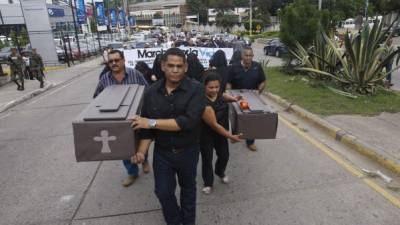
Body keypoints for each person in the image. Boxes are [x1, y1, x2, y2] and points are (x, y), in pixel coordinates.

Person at [131, 48, 205, 225]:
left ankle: (188, 222)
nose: (175, 70)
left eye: (179, 66)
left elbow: (186, 122)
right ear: (163, 66)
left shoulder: (196, 89)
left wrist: (150, 122)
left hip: (188, 151)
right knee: (163, 192)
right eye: (171, 65)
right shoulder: (151, 92)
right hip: (163, 153)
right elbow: (146, 129)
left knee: (188, 190)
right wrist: (141, 152)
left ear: (185, 67)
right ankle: (174, 220)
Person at [93, 49, 151, 187]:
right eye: (111, 61)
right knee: (123, 148)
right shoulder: (105, 79)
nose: (114, 63)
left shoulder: (135, 74)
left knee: (141, 142)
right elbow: (96, 98)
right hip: (117, 123)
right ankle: (132, 172)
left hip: (137, 118)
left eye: (117, 60)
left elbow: (148, 91)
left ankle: (144, 160)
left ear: (123, 60)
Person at [200, 72, 242, 194]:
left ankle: (220, 171)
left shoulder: (219, 94)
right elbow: (215, 125)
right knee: (207, 159)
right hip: (206, 135)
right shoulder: (204, 103)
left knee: (224, 156)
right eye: (211, 87)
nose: (214, 90)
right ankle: (208, 183)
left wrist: (234, 99)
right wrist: (231, 136)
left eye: (217, 87)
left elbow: (223, 95)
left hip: (221, 135)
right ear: (204, 87)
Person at [227, 46, 266, 152]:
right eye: (246, 55)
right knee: (236, 118)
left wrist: (259, 91)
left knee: (251, 119)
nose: (248, 57)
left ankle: (250, 142)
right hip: (237, 98)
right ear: (242, 56)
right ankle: (235, 136)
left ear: (253, 56)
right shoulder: (233, 67)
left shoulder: (257, 67)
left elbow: (263, 81)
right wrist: (230, 95)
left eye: (250, 55)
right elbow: (228, 83)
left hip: (252, 98)